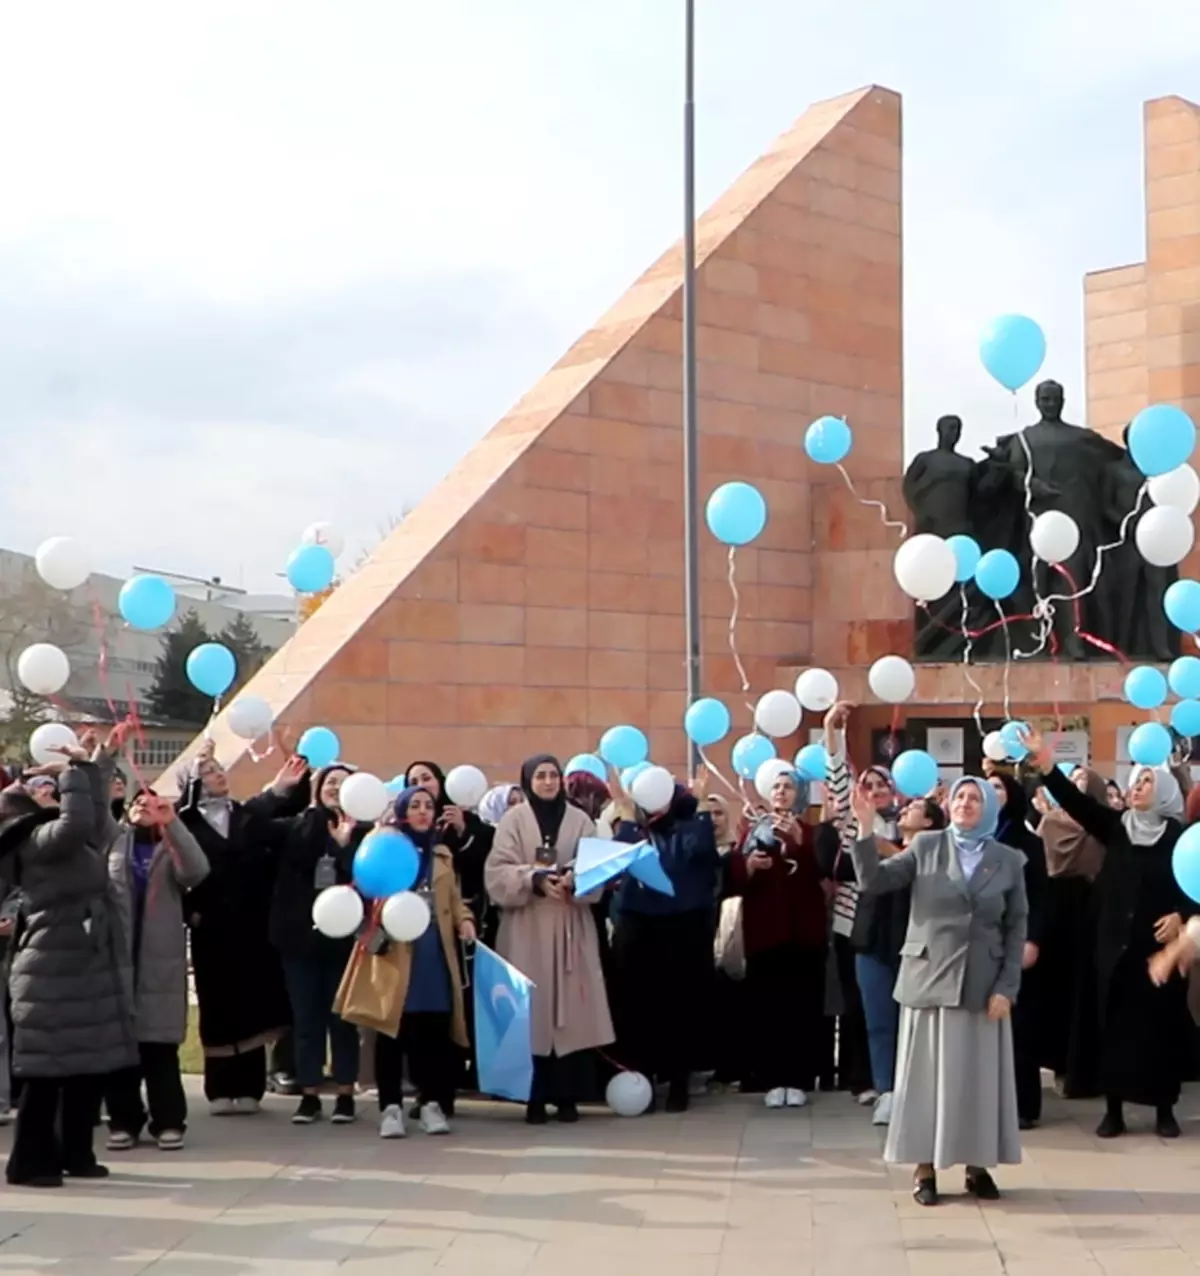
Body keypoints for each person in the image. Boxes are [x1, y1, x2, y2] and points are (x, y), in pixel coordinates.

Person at [849, 774, 1027, 1207]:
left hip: (982, 987)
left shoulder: (1008, 859)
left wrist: (1008, 985)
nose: (966, 803)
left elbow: (1016, 924)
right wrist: (864, 829)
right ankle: (924, 1169)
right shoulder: (927, 846)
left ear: (988, 808)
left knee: (978, 1082)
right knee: (926, 1084)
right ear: (948, 806)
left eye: (975, 798)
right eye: (960, 796)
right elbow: (874, 882)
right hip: (929, 980)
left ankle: (976, 1165)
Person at [1026, 729, 1195, 1138]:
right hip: (1113, 945)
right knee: (1113, 1027)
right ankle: (1114, 1110)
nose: (1137, 788)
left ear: (1167, 790)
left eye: (1147, 782)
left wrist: (1182, 914)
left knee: (1159, 1030)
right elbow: (1077, 804)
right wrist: (1046, 765)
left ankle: (1163, 1109)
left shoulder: (1179, 838)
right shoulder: (1117, 826)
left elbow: (1196, 883)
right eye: (1135, 781)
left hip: (1160, 950)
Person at [2, 728, 138, 1188]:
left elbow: (96, 824)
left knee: (84, 1067)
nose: (50, 791)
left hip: (78, 963)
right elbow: (78, 823)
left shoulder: (63, 840)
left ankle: (74, 1153)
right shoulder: (33, 841)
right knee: (45, 1074)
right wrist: (75, 774)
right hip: (49, 969)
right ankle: (29, 1162)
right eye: (40, 788)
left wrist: (91, 767)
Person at [178, 745, 308, 1114]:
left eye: (219, 769)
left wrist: (287, 786)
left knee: (253, 1001)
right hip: (211, 930)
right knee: (218, 1003)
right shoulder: (183, 824)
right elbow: (172, 871)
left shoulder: (245, 815)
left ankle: (251, 1085)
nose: (219, 775)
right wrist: (192, 913)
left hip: (252, 927)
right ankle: (220, 1087)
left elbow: (279, 813)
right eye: (208, 772)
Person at [484, 755, 614, 1123]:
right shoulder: (513, 820)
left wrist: (575, 878)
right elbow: (496, 872)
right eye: (540, 775)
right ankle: (534, 1097)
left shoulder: (580, 821)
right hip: (527, 926)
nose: (547, 781)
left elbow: (596, 864)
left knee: (570, 1013)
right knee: (531, 1013)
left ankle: (568, 1096)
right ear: (527, 781)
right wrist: (534, 879)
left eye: (553, 775)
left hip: (569, 923)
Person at [358, 787, 475, 1139]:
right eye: (415, 806)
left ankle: (431, 1103)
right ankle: (391, 1107)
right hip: (395, 953)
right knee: (392, 1032)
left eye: (428, 806)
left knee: (434, 1033)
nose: (423, 812)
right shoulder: (386, 848)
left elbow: (454, 900)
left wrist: (465, 919)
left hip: (433, 955)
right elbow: (364, 895)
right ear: (402, 812)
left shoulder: (441, 854)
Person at [103, 785, 210, 1152]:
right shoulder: (114, 842)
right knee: (120, 1049)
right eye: (137, 803)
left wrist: (173, 824)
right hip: (118, 958)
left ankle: (168, 1121)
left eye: (152, 804)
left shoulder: (171, 846)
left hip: (159, 960)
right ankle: (123, 1120)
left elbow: (197, 872)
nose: (143, 808)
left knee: (159, 1048)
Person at [832, 797, 946, 1128]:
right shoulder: (880, 846)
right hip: (872, 944)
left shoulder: (936, 854)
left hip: (916, 950)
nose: (905, 810)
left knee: (917, 1028)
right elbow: (851, 871)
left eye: (915, 808)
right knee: (879, 1024)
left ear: (929, 823)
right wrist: (866, 830)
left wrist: (892, 852)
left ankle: (920, 1094)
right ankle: (886, 1092)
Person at [610, 772, 720, 1114]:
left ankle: (678, 1083)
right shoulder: (633, 827)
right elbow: (622, 862)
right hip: (640, 930)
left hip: (683, 931)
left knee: (680, 1010)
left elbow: (697, 850)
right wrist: (626, 817)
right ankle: (641, 1079)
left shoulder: (690, 822)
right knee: (638, 1009)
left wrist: (702, 803)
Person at [268, 763, 368, 1125]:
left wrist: (343, 847)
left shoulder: (364, 831)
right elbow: (256, 827)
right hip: (300, 940)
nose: (335, 788)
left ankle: (344, 1093)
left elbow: (366, 879)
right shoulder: (297, 825)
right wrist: (289, 796)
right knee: (306, 1020)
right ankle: (308, 1094)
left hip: (344, 942)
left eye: (343, 783)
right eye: (330, 782)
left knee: (342, 1020)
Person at [726, 768, 825, 1111]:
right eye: (777, 787)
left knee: (801, 1009)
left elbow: (824, 872)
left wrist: (798, 844)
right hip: (765, 934)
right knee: (767, 1009)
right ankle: (770, 1079)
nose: (782, 792)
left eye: (789, 787)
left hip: (803, 935)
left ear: (799, 794)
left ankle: (798, 1079)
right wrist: (750, 866)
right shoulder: (753, 832)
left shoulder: (811, 832)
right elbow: (734, 879)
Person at [823, 704, 888, 1100]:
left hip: (897, 928)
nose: (875, 791)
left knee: (888, 1007)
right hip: (853, 925)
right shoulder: (852, 820)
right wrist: (832, 731)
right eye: (868, 785)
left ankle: (890, 1077)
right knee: (857, 1005)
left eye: (882, 786)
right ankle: (859, 1079)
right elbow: (837, 773)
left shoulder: (907, 822)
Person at [1033, 766, 1106, 1100]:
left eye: (1082, 781)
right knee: (1057, 990)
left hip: (1093, 912)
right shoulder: (1050, 823)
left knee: (1086, 992)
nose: (1077, 785)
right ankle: (1060, 1064)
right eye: (1072, 780)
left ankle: (1085, 1070)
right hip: (1058, 911)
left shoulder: (1104, 825)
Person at [988, 773, 1048, 1129]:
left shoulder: (1027, 842)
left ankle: (1024, 1104)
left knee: (1021, 1027)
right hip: (982, 942)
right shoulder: (971, 840)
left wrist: (1034, 939)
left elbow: (1040, 896)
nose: (991, 792)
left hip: (1018, 940)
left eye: (998, 787)